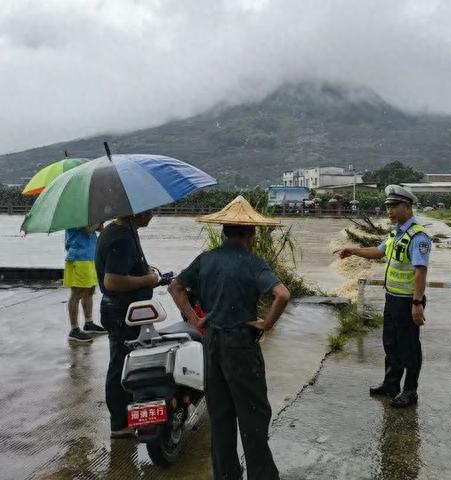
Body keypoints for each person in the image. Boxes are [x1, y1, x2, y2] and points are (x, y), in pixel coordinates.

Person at [169, 196, 290, 480]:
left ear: (224, 232)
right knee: (253, 417)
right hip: (241, 346)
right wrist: (267, 324)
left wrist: (193, 318)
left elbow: (176, 287)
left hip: (211, 343)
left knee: (221, 418)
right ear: (251, 234)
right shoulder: (252, 262)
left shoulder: (206, 260)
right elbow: (282, 294)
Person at [334, 185, 431, 408]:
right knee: (391, 344)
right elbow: (379, 252)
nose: (389, 211)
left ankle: (410, 391)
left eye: (394, 206)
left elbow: (420, 271)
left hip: (408, 301)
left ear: (407, 207)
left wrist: (417, 303)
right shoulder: (396, 233)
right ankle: (391, 385)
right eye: (387, 206)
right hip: (393, 298)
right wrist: (353, 250)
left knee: (409, 348)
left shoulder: (418, 236)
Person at [94, 211, 160, 438]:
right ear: (136, 212)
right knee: (120, 364)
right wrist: (147, 280)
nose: (154, 215)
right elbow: (111, 280)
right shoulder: (121, 238)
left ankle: (126, 414)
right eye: (150, 211)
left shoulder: (123, 231)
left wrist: (147, 271)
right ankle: (120, 423)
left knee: (126, 362)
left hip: (123, 309)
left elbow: (128, 268)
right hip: (120, 311)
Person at [63, 224, 106, 343]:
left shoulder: (86, 211)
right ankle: (74, 329)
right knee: (77, 294)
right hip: (78, 257)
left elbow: (97, 228)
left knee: (90, 290)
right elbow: (87, 229)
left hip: (90, 255)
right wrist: (98, 220)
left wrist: (100, 222)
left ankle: (89, 323)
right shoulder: (75, 213)